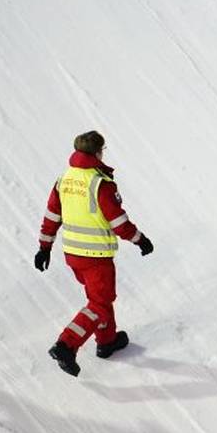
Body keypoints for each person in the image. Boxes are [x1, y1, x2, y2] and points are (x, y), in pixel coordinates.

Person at [35, 131, 152, 376]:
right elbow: (119, 222)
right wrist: (140, 240)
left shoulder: (64, 179)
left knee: (101, 299)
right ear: (97, 152)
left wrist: (44, 248)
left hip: (73, 255)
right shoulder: (99, 183)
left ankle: (106, 341)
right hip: (96, 256)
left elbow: (51, 217)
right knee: (99, 303)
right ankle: (66, 345)